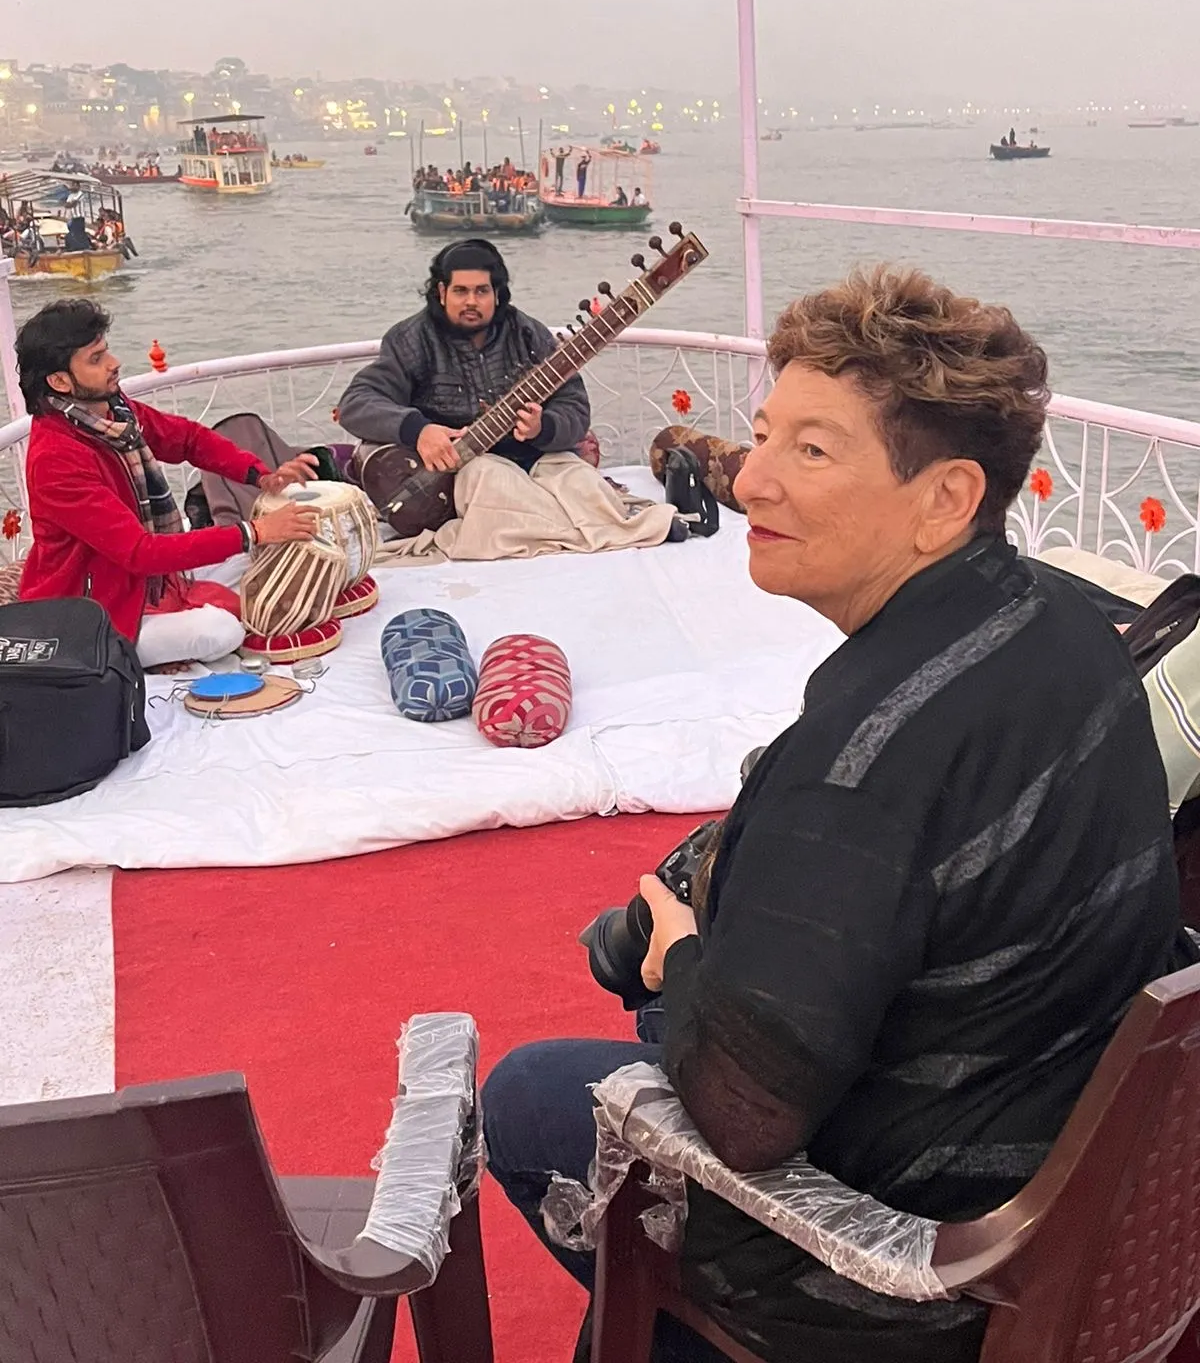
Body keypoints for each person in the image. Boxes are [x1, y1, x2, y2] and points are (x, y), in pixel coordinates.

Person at [483, 264, 1195, 1363]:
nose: (751, 479)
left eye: (811, 450)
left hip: (938, 1268)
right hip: (1066, 1149)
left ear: (947, 499)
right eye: (762, 434)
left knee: (529, 1092)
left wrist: (677, 956)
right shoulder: (1065, 627)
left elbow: (746, 1119)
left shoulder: (856, 771)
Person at [17, 299, 320, 669]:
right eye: (96, 359)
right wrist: (254, 531)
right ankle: (140, 654)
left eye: (106, 351)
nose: (114, 363)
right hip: (94, 614)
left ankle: (169, 626)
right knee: (222, 630)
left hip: (142, 581)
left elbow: (186, 439)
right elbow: (141, 552)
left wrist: (260, 474)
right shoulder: (56, 459)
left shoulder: (112, 412)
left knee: (262, 561)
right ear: (60, 381)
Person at [336, 238, 590, 479]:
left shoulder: (527, 334)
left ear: (497, 294)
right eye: (460, 291)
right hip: (458, 478)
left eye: (481, 291)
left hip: (536, 461)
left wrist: (542, 427)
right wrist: (418, 431)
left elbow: (574, 407)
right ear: (442, 292)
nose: (471, 301)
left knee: (587, 489)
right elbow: (356, 404)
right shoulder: (412, 339)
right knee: (494, 480)